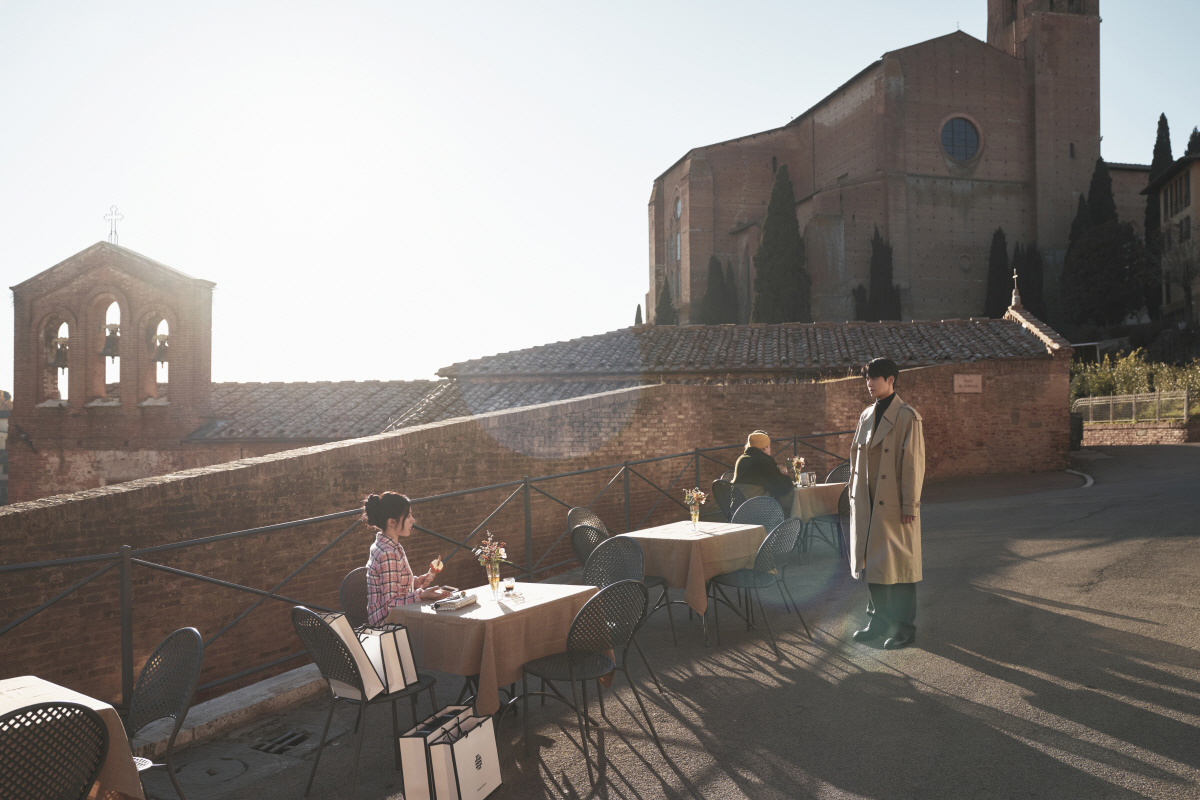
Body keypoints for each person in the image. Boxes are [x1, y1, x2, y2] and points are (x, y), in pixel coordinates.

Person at [848, 358, 925, 650]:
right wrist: (853, 497)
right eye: (867, 377)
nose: (869, 383)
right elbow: (855, 459)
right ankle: (878, 622)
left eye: (875, 378)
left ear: (891, 379)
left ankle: (905, 628)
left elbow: (913, 465)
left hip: (894, 506)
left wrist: (910, 506)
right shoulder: (866, 415)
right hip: (868, 505)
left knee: (902, 568)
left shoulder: (908, 416)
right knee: (875, 566)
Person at [362, 492, 449, 625]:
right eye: (408, 516)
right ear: (391, 521)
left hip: (397, 620)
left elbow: (392, 585)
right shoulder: (388, 553)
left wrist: (415, 583)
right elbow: (391, 604)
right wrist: (421, 595)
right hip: (388, 627)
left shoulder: (386, 545)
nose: (413, 520)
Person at [731, 430, 794, 505]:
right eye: (769, 446)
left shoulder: (741, 459)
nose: (770, 449)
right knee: (792, 502)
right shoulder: (762, 461)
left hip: (738, 507)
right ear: (764, 448)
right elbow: (781, 488)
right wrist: (785, 478)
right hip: (757, 507)